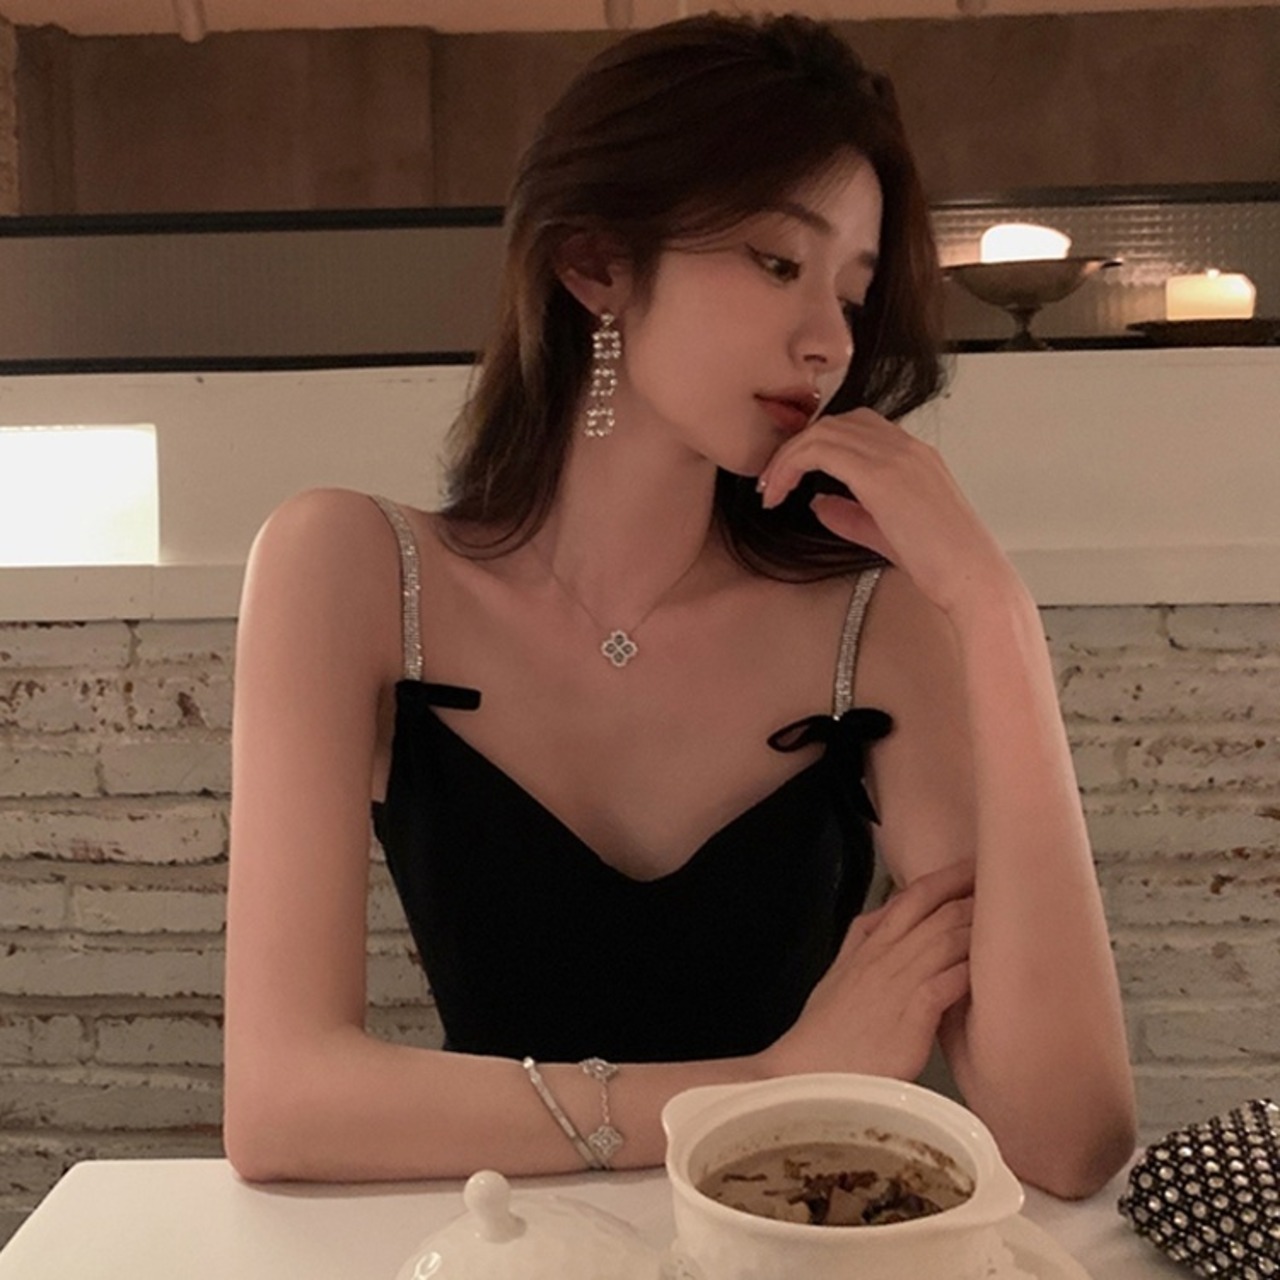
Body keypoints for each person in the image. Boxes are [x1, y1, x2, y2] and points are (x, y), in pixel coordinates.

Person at [222, 12, 1136, 1197]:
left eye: (851, 295)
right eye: (777, 263)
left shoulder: (874, 623)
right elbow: (281, 1102)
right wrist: (764, 1084)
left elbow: (1065, 1139)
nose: (826, 343)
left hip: (785, 1251)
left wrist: (992, 610)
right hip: (491, 1251)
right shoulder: (350, 569)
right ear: (594, 261)